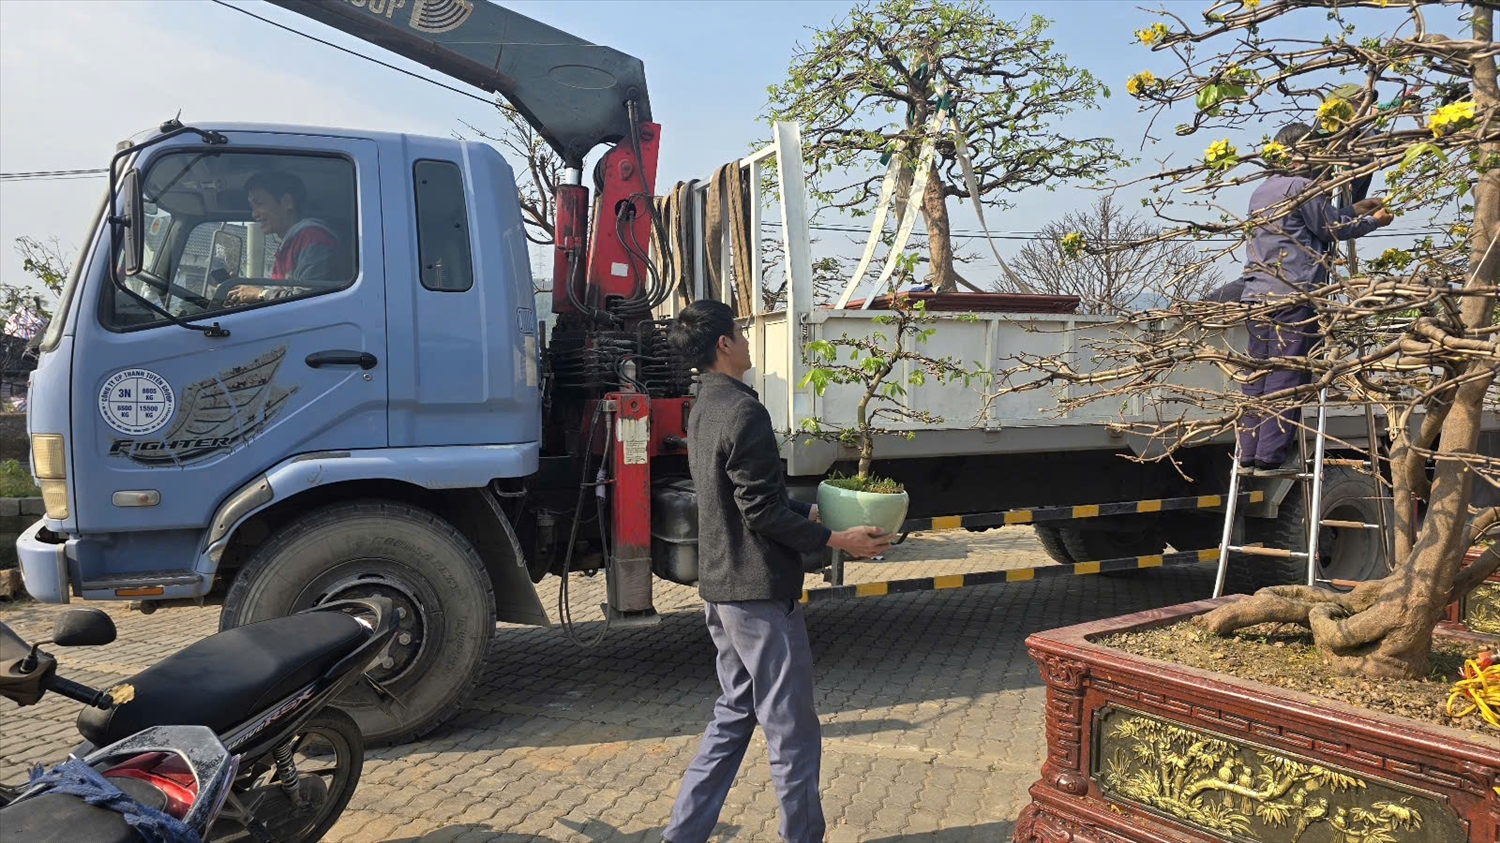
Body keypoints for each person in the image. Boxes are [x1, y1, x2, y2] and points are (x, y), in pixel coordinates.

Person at [663, 300, 892, 843]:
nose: (746, 341)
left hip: (722, 590)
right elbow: (758, 511)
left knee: (734, 714)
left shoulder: (704, 405)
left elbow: (739, 497)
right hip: (759, 594)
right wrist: (837, 539)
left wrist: (803, 513)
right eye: (740, 333)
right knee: (792, 732)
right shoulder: (744, 411)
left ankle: (683, 835)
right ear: (724, 344)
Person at [1236, 122, 1393, 476]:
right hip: (1293, 293)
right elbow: (1330, 229)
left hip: (1258, 295)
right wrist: (1375, 221)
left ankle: (1248, 456)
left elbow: (1318, 220)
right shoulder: (1304, 186)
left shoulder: (1263, 190)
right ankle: (1269, 458)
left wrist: (1357, 208)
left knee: (1258, 375)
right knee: (1287, 376)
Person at [224, 171, 340, 306]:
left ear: (287, 202)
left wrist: (260, 294)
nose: (254, 214)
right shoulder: (289, 244)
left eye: (260, 203)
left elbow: (306, 299)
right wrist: (245, 291)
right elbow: (282, 297)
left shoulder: (314, 238)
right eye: (252, 207)